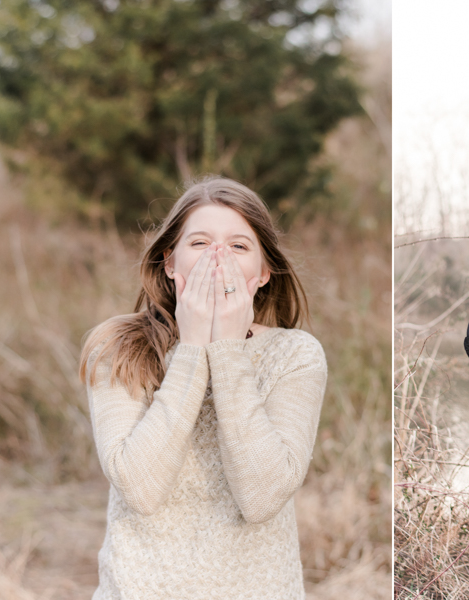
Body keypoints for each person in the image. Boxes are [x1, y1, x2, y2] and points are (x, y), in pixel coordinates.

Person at [79, 176, 327, 599]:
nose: (218, 258)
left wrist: (227, 351)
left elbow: (262, 498)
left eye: (238, 246)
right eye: (199, 243)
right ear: (170, 262)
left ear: (264, 272)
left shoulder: (296, 355)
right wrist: (193, 348)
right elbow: (140, 488)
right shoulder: (118, 347)